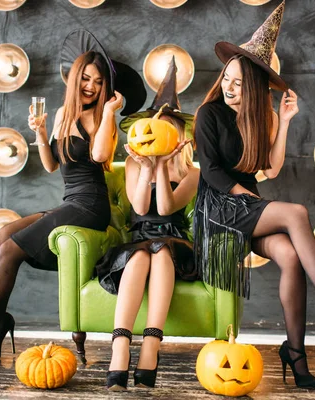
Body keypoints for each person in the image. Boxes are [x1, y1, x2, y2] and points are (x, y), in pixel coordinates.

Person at [193, 1, 315, 389]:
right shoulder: (209, 114)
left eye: (240, 82)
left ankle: (296, 354)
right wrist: (252, 202)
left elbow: (271, 169)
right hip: (218, 207)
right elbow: (210, 171)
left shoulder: (265, 116)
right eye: (227, 77)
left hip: (248, 207)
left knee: (291, 255)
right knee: (295, 212)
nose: (229, 86)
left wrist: (286, 121)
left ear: (255, 87)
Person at [0, 29, 146, 363]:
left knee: (14, 248)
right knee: (4, 234)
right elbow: (50, 166)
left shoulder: (99, 118)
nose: (90, 86)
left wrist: (108, 114)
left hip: (91, 206)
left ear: (107, 87)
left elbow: (103, 154)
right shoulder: (63, 113)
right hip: (70, 202)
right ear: (74, 78)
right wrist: (41, 133)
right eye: (85, 79)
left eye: (98, 82)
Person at [95, 58, 199, 391]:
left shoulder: (191, 172)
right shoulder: (134, 166)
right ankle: (121, 344)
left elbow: (167, 207)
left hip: (174, 241)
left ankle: (152, 345)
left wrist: (163, 167)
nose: (156, 132)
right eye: (153, 125)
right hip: (140, 238)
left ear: (179, 133)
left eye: (166, 126)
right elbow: (140, 206)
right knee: (140, 256)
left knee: (162, 253)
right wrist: (145, 166)